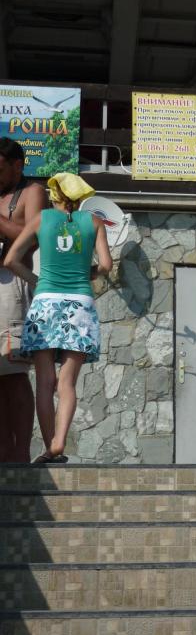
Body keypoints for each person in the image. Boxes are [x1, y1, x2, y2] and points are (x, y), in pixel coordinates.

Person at [5, 172, 112, 463]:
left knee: (44, 381)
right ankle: (59, 444)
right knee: (66, 384)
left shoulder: (41, 220)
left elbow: (11, 259)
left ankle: (50, 445)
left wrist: (36, 280)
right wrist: (86, 274)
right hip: (80, 303)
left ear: (55, 194)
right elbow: (105, 264)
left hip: (46, 302)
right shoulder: (94, 222)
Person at [0, 137, 46, 462]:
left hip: (11, 287)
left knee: (13, 373)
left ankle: (20, 453)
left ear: (18, 165)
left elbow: (34, 238)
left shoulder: (32, 192)